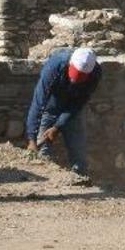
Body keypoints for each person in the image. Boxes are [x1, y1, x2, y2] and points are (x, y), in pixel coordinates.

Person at [25, 48, 101, 176]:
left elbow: (78, 104)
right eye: (74, 74)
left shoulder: (95, 73)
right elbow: (38, 101)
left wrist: (57, 126)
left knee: (79, 155)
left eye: (81, 77)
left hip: (72, 113)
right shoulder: (55, 65)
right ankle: (45, 185)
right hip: (50, 108)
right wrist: (31, 138)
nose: (74, 81)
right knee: (42, 153)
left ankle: (81, 180)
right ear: (70, 63)